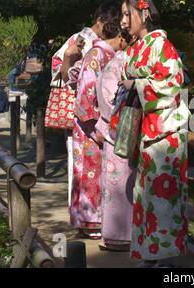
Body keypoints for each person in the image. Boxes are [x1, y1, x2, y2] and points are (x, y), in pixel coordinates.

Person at [119, 0, 191, 267]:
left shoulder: (163, 46)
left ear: (143, 13)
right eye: (123, 15)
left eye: (128, 14)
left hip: (165, 134)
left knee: (163, 198)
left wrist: (135, 84)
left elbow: (171, 85)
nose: (124, 22)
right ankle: (152, 253)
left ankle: (166, 257)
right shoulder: (140, 46)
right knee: (147, 196)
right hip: (148, 130)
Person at [50, 1, 120, 209]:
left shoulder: (108, 43)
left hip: (102, 111)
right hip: (84, 113)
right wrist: (69, 58)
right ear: (99, 20)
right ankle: (86, 215)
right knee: (81, 166)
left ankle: (95, 215)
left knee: (97, 166)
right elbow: (62, 76)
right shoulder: (79, 40)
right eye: (110, 23)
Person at [70, 19, 126, 239]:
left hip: (101, 124)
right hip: (91, 126)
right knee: (90, 174)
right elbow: (85, 97)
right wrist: (97, 129)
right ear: (121, 37)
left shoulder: (106, 55)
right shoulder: (97, 55)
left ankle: (96, 222)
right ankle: (91, 222)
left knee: (97, 174)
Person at [95, 29, 135, 251]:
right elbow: (114, 100)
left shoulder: (115, 61)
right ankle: (121, 236)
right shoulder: (124, 61)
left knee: (115, 187)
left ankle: (115, 235)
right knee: (121, 187)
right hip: (120, 130)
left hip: (113, 129)